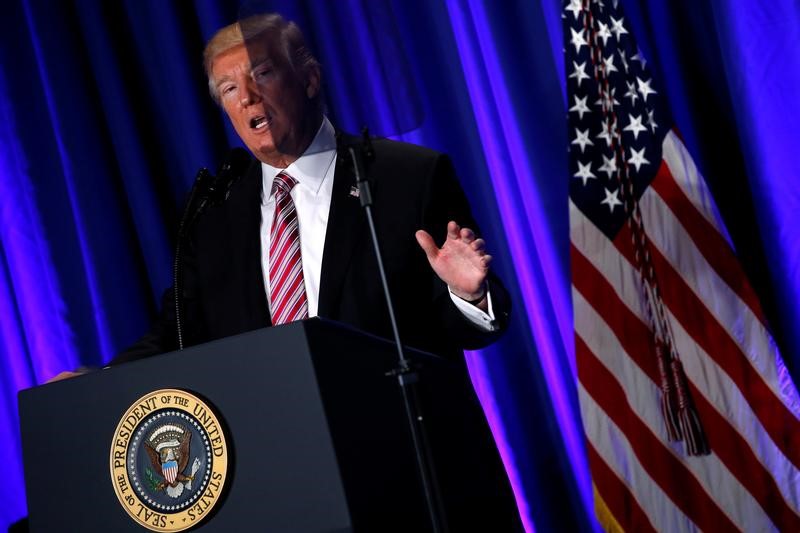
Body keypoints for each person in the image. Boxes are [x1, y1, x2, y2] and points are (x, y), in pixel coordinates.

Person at [110, 13, 511, 364]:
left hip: (404, 436)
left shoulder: (406, 176)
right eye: (230, 89)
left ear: (309, 79)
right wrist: (97, 380)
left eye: (261, 74)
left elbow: (468, 330)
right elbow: (179, 329)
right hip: (284, 442)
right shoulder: (214, 213)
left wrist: (469, 297)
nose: (248, 97)